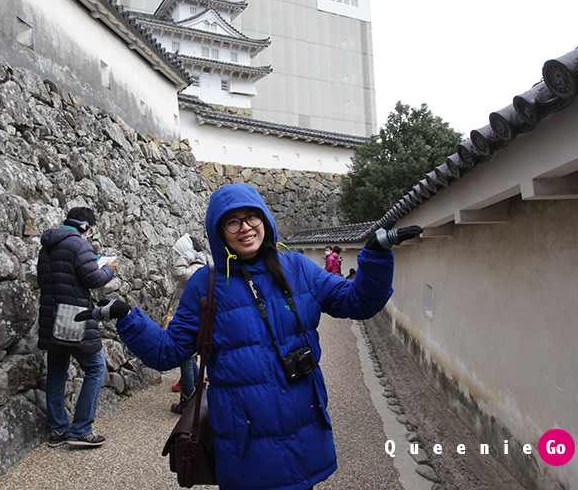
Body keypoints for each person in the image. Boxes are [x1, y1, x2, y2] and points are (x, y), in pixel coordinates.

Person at [79, 184, 422, 490]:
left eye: (251, 217)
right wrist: (127, 316)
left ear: (265, 220)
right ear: (220, 232)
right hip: (245, 438)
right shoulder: (206, 285)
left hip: (304, 425)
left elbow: (357, 302)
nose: (245, 228)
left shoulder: (297, 268)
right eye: (233, 222)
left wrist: (375, 256)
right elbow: (168, 353)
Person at [36, 206, 116, 448]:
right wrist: (108, 269)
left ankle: (57, 430)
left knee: (57, 373)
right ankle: (81, 429)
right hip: (76, 317)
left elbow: (43, 281)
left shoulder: (47, 246)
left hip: (51, 318)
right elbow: (93, 280)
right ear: (86, 227)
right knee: (95, 368)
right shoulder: (80, 245)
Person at [168, 233, 207, 414]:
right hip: (189, 316)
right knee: (189, 356)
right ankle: (198, 387)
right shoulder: (198, 266)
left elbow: (178, 273)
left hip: (189, 318)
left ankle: (187, 399)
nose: (177, 257)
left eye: (179, 253)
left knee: (185, 356)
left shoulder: (196, 266)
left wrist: (189, 255)